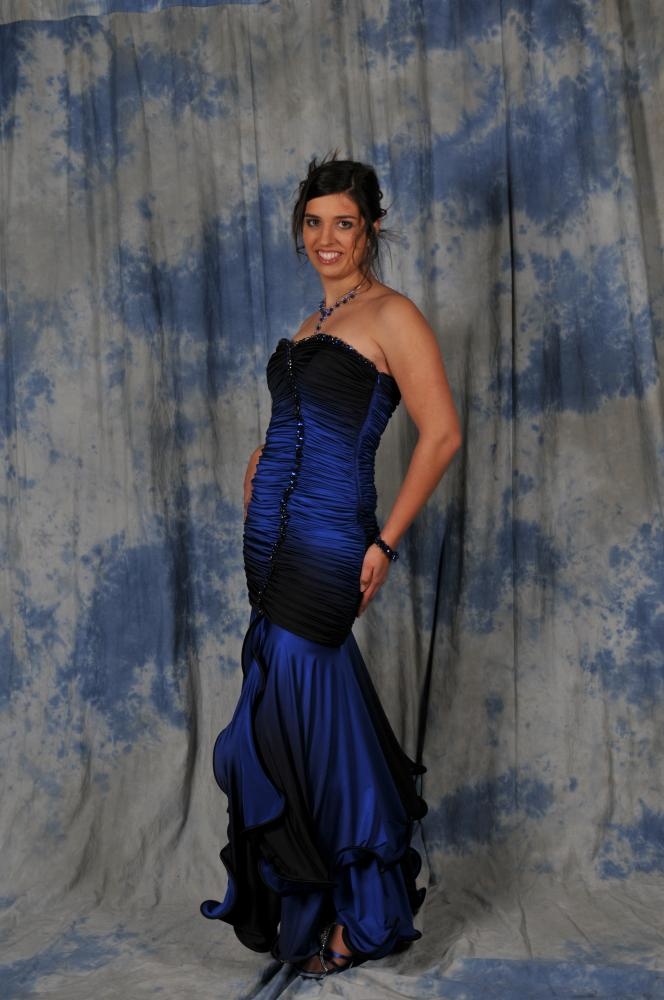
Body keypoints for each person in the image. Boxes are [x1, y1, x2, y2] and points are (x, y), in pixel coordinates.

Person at [201, 156, 461, 979]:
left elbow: (442, 433)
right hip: (272, 547)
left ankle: (369, 916)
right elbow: (305, 420)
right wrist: (261, 460)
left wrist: (384, 543)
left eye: (343, 223)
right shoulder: (315, 319)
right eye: (314, 223)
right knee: (300, 722)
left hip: (328, 545)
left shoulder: (392, 314)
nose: (326, 238)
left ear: (371, 229)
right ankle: (334, 906)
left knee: (306, 722)